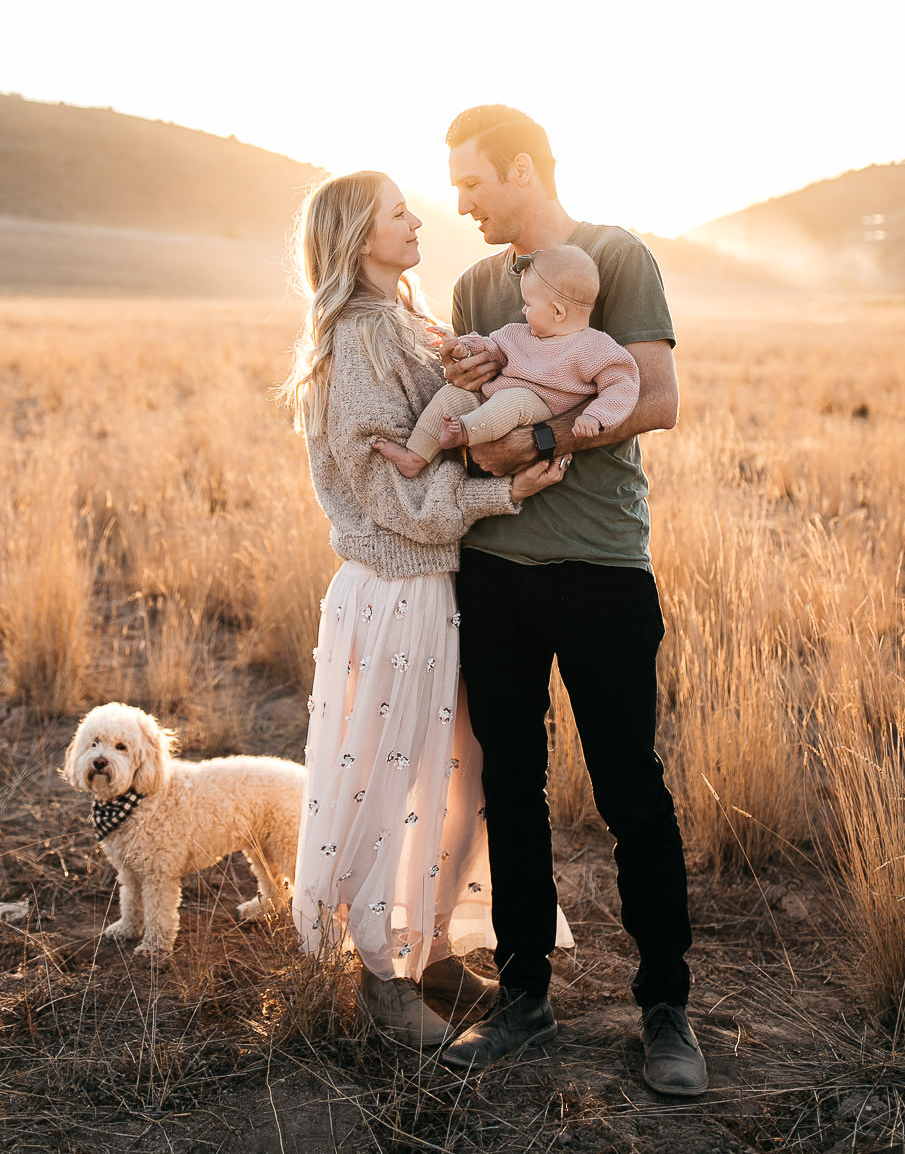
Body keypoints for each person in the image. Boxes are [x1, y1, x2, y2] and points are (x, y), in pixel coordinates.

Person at [432, 106, 708, 1098]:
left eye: (473, 181)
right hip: (494, 573)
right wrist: (462, 413)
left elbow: (659, 397)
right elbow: (465, 416)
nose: (460, 201)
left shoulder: (617, 256)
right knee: (511, 786)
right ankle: (524, 999)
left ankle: (666, 1009)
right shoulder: (473, 285)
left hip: (600, 571)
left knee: (632, 788)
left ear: (524, 168)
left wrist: (542, 444)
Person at [282, 170, 571, 1049]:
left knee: (457, 775)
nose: (417, 221)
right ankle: (382, 979)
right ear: (357, 236)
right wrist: (504, 491)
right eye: (398, 211)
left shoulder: (403, 322)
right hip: (397, 587)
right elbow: (389, 497)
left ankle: (433, 949)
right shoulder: (361, 337)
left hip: (432, 583)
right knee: (394, 778)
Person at [373, 245, 639, 474]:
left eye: (529, 304)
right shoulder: (517, 333)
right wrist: (461, 347)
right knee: (451, 395)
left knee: (517, 399)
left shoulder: (595, 347)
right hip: (494, 404)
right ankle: (415, 457)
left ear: (558, 311)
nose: (523, 310)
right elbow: (491, 348)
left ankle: (464, 433)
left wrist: (596, 416)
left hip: (542, 412)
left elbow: (622, 384)